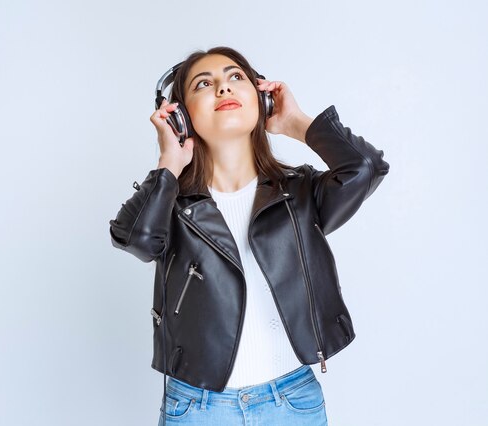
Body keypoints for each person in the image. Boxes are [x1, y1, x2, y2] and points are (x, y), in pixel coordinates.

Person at [108, 46, 389, 425]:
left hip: (293, 402)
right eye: (204, 84)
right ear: (182, 119)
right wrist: (168, 165)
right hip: (197, 408)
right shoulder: (171, 204)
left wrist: (297, 123)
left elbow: (366, 168)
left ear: (262, 101)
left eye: (235, 77)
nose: (223, 88)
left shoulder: (299, 192)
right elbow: (137, 239)